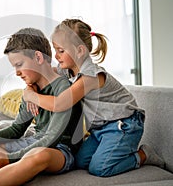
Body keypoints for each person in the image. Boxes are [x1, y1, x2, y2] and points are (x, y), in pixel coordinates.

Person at [23, 19, 165, 177]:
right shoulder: (67, 70)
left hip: (124, 124)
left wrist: (32, 96)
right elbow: (43, 74)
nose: (56, 56)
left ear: (80, 51)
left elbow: (61, 104)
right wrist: (30, 86)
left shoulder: (90, 76)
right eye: (55, 50)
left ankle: (143, 155)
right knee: (80, 162)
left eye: (61, 51)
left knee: (100, 168)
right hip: (100, 128)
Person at [0, 27, 82, 186]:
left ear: (38, 57)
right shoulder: (30, 90)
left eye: (19, 64)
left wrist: (11, 158)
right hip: (35, 141)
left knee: (40, 154)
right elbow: (17, 129)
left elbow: (52, 137)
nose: (16, 73)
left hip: (61, 150)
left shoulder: (63, 88)